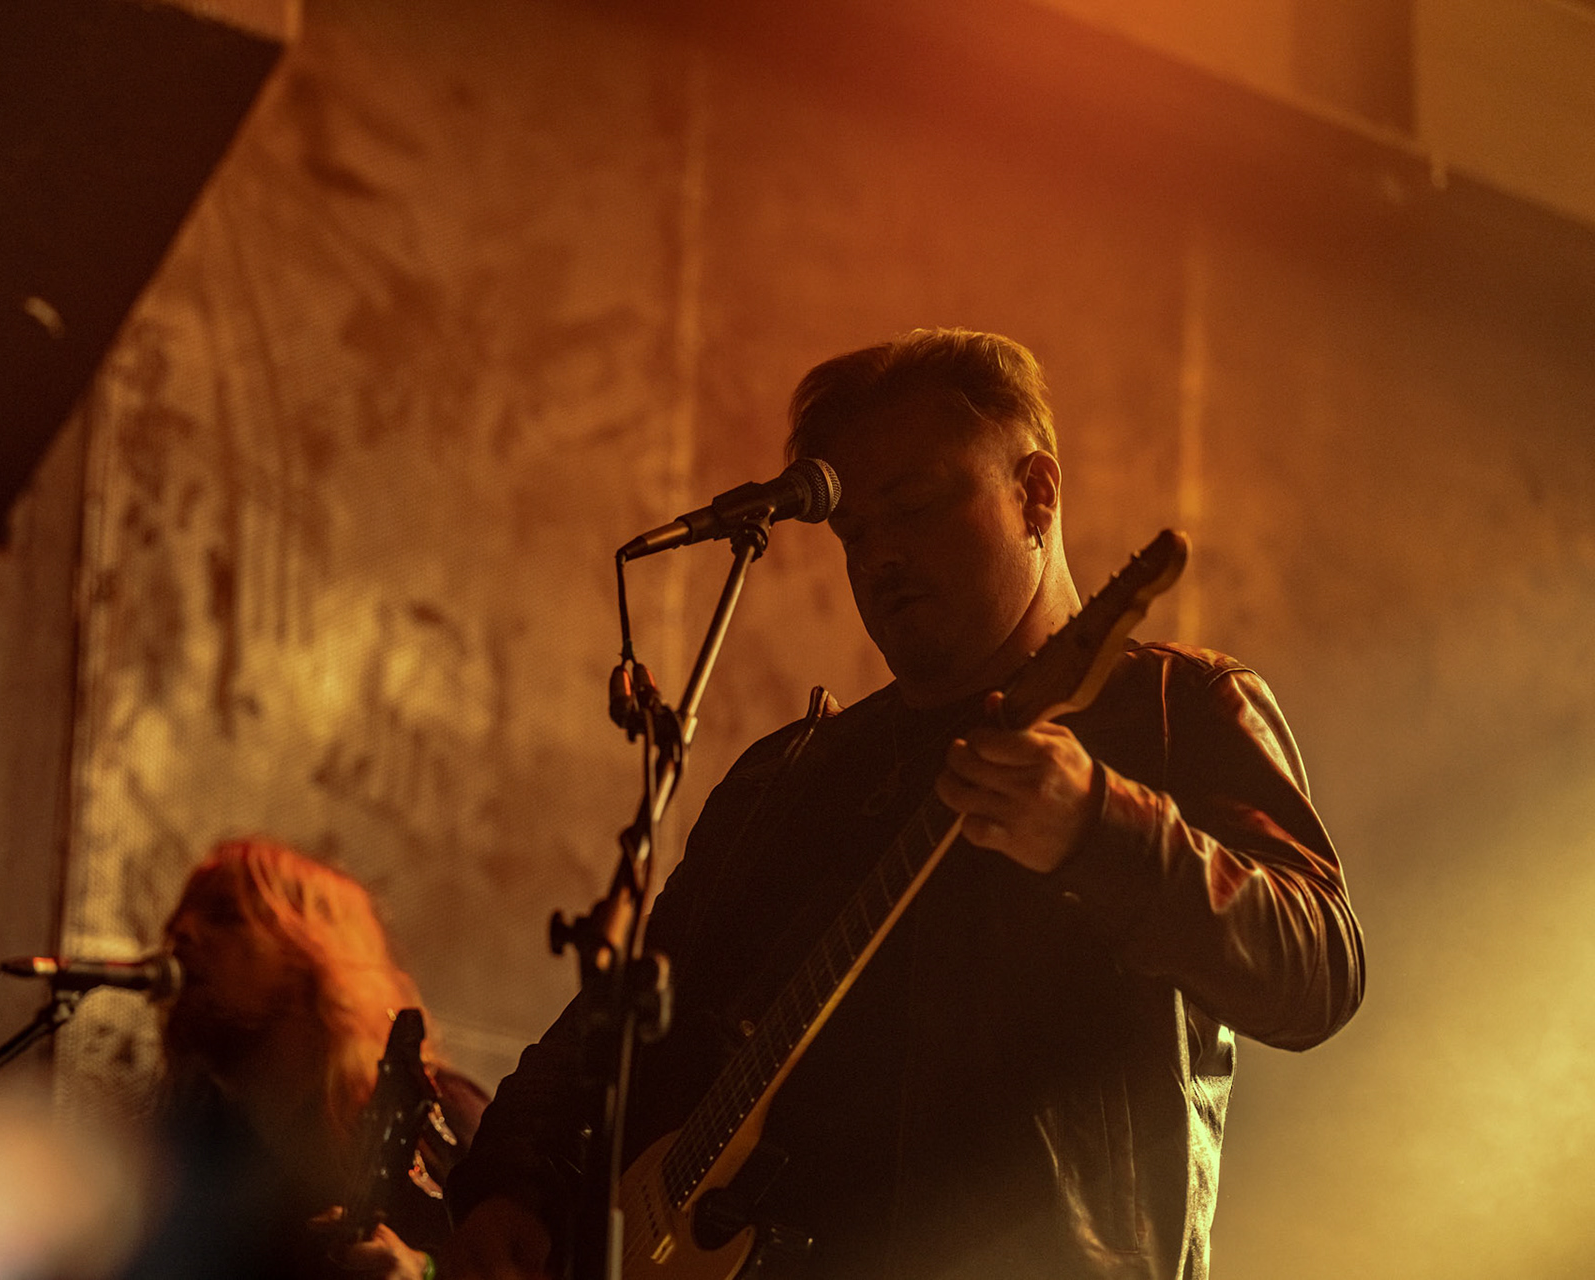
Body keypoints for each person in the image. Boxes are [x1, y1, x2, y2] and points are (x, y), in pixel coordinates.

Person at [443, 329, 1365, 1279]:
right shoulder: (790, 780)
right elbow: (632, 1019)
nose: (878, 557)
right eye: (852, 534)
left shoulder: (1174, 712)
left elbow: (1319, 969)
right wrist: (510, 1178)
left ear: (1036, 494)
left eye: (915, 506)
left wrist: (1101, 826)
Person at [129, 836, 486, 1280]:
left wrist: (426, 1272)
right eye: (180, 917)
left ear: (312, 954)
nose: (180, 930)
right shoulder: (196, 1144)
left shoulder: (435, 1115)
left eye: (226, 916)